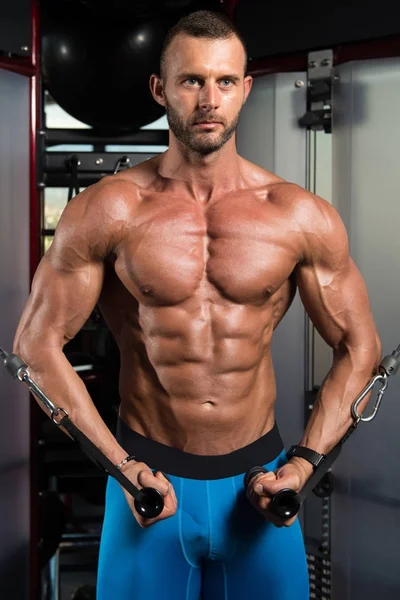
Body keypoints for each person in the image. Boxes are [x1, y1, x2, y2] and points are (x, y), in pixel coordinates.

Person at [14, 10, 381, 600]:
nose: (210, 99)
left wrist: (305, 463)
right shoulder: (109, 211)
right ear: (160, 89)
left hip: (262, 485)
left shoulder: (298, 216)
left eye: (225, 82)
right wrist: (118, 465)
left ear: (246, 90)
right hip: (146, 485)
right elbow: (35, 344)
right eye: (191, 81)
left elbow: (360, 346)